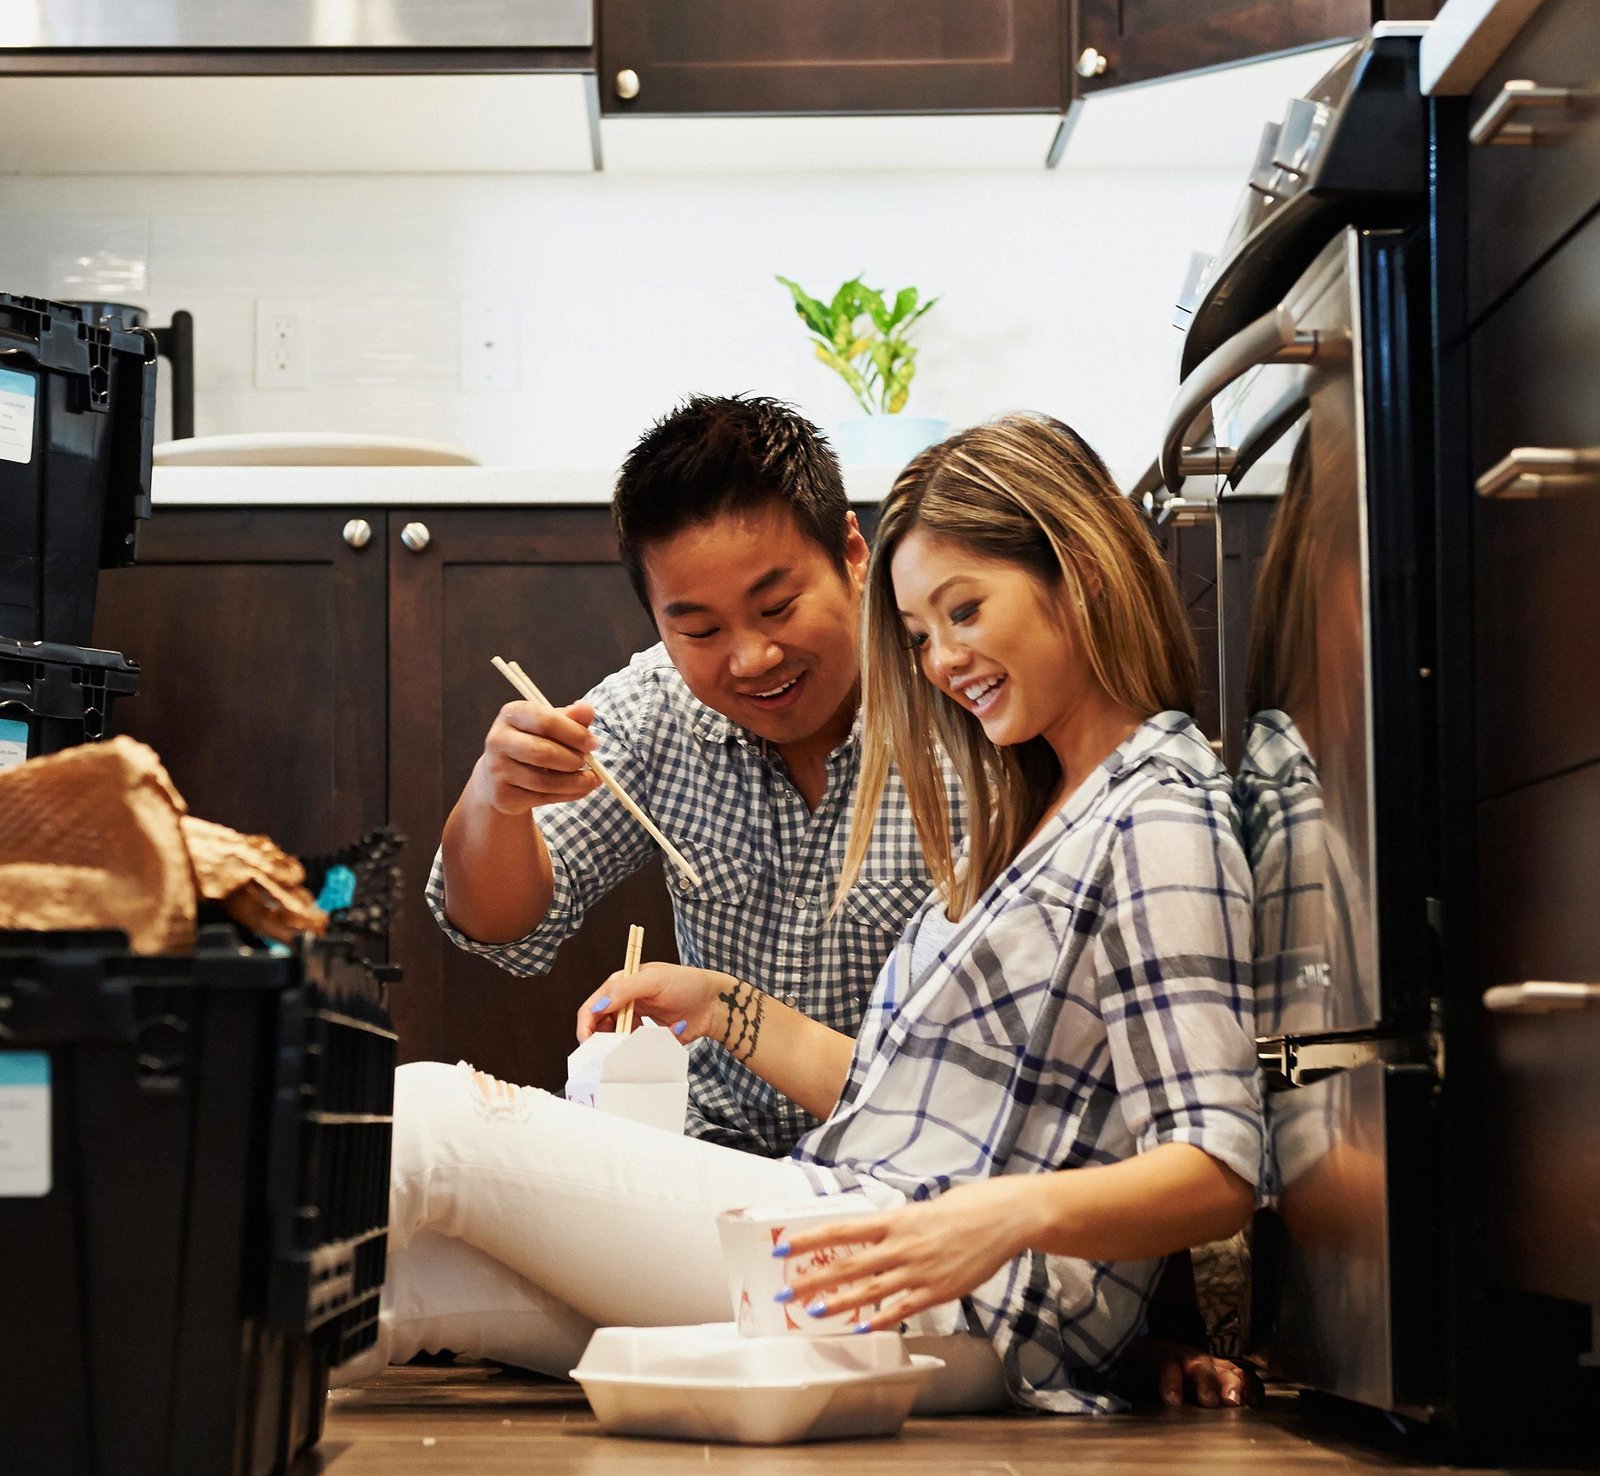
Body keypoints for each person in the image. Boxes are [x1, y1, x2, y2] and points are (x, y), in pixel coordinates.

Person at [383, 412, 1263, 1414]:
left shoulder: (1152, 806)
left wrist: (1000, 1223)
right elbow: (912, 1102)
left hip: (929, 1283)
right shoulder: (1034, 801)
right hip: (875, 1246)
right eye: (923, 634)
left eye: (965, 612)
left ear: (1082, 569)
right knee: (398, 1287)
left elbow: (1215, 1162)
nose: (940, 663)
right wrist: (720, 1003)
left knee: (431, 1121)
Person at [430, 393, 951, 1157]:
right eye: (699, 629)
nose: (751, 659)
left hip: (913, 1165)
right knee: (431, 1119)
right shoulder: (655, 710)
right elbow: (498, 926)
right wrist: (495, 798)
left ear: (850, 552)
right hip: (708, 1153)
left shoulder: (958, 704)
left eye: (776, 606)